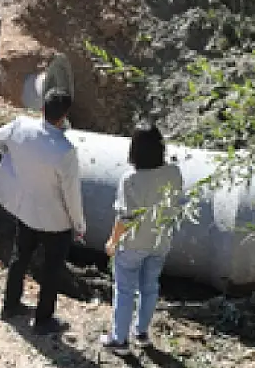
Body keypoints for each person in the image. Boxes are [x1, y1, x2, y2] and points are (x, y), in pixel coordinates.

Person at [0, 89, 86, 335]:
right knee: (51, 270)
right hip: (55, 221)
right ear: (64, 116)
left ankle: (10, 306)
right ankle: (43, 321)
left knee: (19, 258)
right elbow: (72, 194)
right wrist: (79, 225)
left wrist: (16, 161)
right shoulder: (65, 151)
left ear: (42, 109)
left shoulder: (21, 126)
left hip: (26, 210)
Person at [101, 123, 185, 351]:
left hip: (133, 244)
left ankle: (119, 339)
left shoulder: (131, 179)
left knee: (125, 289)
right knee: (150, 287)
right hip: (160, 240)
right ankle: (141, 332)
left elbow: (125, 218)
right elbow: (178, 204)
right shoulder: (174, 172)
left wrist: (112, 241)